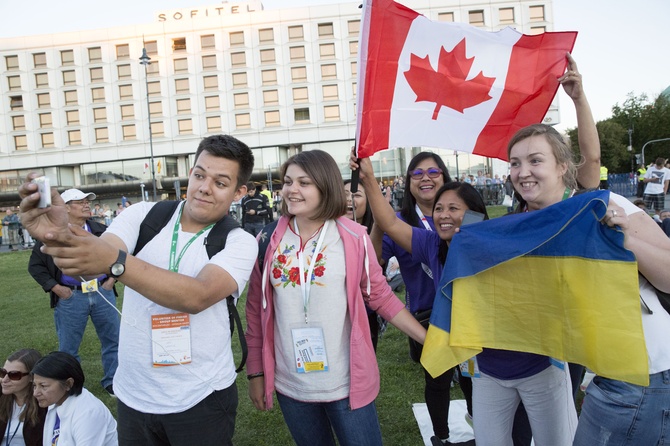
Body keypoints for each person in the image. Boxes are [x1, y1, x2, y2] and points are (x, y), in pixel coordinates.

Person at [18, 134, 257, 446]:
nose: (204, 188)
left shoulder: (239, 241)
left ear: (239, 191)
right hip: (134, 396)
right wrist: (61, 234)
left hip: (202, 396)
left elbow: (197, 295)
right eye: (199, 175)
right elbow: (92, 263)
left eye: (220, 182)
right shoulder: (144, 215)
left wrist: (115, 264)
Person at [245, 149, 426, 446]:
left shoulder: (354, 237)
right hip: (291, 385)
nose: (292, 189)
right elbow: (254, 311)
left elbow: (380, 296)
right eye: (288, 181)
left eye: (304, 182)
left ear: (325, 186)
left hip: (345, 382)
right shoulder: (266, 240)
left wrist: (426, 338)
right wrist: (255, 373)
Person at [353, 152, 481, 446]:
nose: (426, 177)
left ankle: (482, 426)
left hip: (472, 320)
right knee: (436, 378)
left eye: (434, 171)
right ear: (408, 182)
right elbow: (375, 256)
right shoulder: (423, 236)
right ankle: (442, 436)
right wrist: (370, 181)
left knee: (472, 378)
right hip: (428, 317)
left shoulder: (473, 226)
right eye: (417, 173)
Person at [27, 188, 120, 396]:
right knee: (69, 347)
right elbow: (36, 266)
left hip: (103, 292)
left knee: (113, 339)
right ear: (65, 208)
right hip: (70, 296)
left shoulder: (101, 230)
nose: (86, 204)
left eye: (87, 200)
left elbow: (120, 256)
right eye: (80, 201)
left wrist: (111, 280)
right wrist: (57, 288)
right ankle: (72, 386)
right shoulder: (52, 235)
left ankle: (113, 381)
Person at [32, 351, 117, 446]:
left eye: (43, 386)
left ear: (68, 384)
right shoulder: (56, 400)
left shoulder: (88, 413)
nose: (35, 393)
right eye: (34, 385)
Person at [344, 179, 382, 351]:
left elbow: (372, 263)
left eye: (356, 195)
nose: (348, 199)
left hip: (366, 313)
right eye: (343, 194)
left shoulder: (375, 231)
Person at [0, 349, 46, 446]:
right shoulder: (2, 396)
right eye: (3, 372)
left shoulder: (44, 404)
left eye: (14, 375)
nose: (4, 380)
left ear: (31, 377)